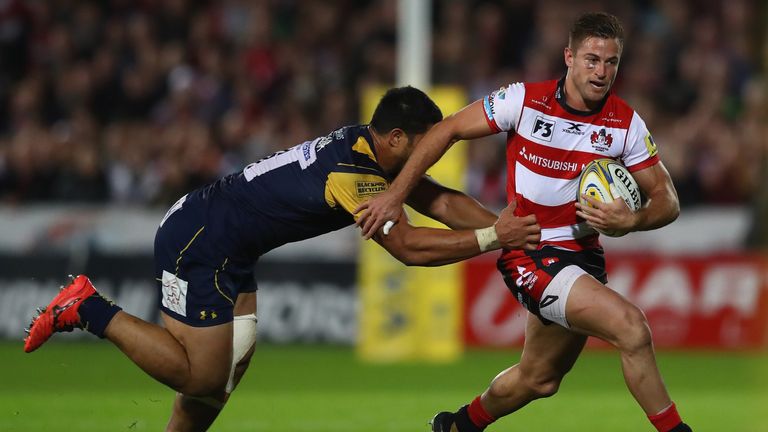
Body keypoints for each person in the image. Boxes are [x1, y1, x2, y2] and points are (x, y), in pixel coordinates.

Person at [23, 86, 541, 432]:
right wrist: (495, 237)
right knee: (202, 378)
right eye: (428, 146)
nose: (434, 156)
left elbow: (444, 202)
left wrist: (519, 229)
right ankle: (87, 306)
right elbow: (407, 247)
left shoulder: (369, 152)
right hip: (199, 243)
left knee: (222, 380)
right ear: (398, 139)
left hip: (231, 243)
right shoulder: (352, 175)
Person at [355, 13, 692, 432]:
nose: (601, 72)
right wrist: (395, 194)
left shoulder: (624, 123)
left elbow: (668, 200)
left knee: (539, 379)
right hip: (531, 253)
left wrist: (632, 220)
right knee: (631, 328)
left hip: (583, 258)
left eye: (611, 62)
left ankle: (457, 426)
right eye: (591, 59)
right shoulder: (523, 101)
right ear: (568, 56)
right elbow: (448, 130)